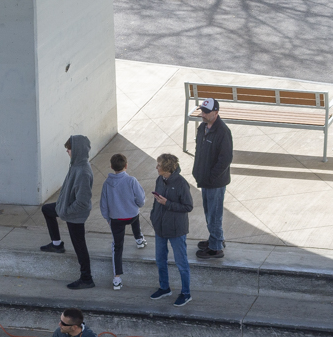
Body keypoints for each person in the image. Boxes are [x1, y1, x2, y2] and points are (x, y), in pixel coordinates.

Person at [42, 135, 95, 290]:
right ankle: (57, 244)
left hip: (75, 215)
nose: (67, 151)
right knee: (47, 210)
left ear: (77, 150)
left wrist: (66, 212)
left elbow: (83, 202)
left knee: (80, 246)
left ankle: (87, 278)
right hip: (66, 208)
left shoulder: (83, 172)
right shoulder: (76, 165)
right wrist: (63, 208)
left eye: (69, 149)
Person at [150, 153, 193, 306]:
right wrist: (153, 217)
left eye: (159, 165)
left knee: (181, 263)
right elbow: (156, 203)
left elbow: (188, 206)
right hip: (160, 227)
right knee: (160, 260)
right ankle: (164, 287)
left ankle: (186, 293)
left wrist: (167, 203)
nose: (156, 167)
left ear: (167, 167)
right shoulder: (160, 179)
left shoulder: (181, 183)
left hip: (176, 230)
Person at [192, 98, 233, 260]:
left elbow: (226, 159)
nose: (203, 114)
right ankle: (216, 238)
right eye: (202, 111)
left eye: (206, 112)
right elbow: (199, 151)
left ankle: (215, 248)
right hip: (205, 178)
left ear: (216, 113)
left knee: (214, 215)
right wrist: (197, 171)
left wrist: (211, 177)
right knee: (210, 212)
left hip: (214, 182)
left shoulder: (223, 131)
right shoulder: (202, 128)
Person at [100, 153, 148, 291]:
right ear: (126, 166)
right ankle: (139, 239)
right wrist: (137, 206)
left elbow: (103, 204)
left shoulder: (107, 184)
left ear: (111, 167)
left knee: (117, 246)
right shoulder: (131, 181)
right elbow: (140, 199)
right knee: (135, 220)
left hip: (116, 219)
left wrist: (108, 219)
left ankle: (117, 279)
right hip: (132, 215)